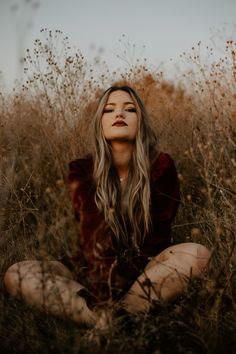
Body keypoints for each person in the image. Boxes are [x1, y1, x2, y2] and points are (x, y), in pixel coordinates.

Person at [3, 85, 211, 326]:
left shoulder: (161, 165)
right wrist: (103, 293)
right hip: (90, 271)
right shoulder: (81, 169)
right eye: (109, 109)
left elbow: (157, 234)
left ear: (140, 121)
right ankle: (107, 320)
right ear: (100, 122)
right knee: (16, 274)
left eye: (129, 109)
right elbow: (93, 231)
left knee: (199, 255)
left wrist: (126, 282)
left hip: (147, 270)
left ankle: (119, 314)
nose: (119, 114)